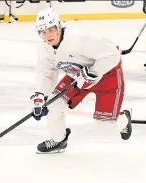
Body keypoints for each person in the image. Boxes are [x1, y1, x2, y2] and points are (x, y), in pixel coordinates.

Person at [30, 8, 132, 154]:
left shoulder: (77, 39)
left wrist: (94, 72)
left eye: (50, 30)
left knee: (105, 130)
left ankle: (123, 119)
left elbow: (113, 55)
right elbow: (46, 73)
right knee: (53, 104)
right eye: (43, 32)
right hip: (78, 76)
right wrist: (40, 96)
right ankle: (59, 140)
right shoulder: (45, 47)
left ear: (59, 26)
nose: (47, 35)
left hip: (107, 75)